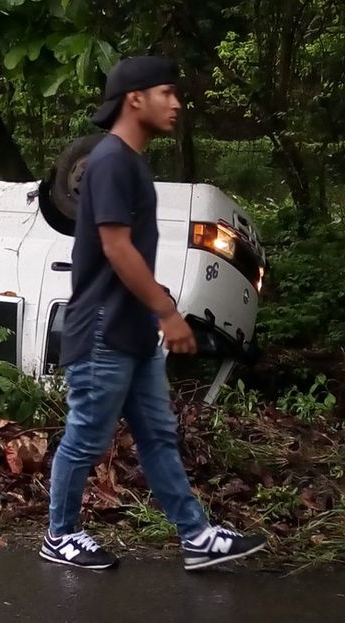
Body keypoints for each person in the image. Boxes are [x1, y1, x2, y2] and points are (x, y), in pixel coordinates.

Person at [39, 56, 267, 571]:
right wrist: (168, 311)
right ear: (134, 99)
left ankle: (196, 536)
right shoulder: (112, 161)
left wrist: (154, 313)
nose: (177, 103)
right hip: (103, 326)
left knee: (157, 435)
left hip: (131, 327)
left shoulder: (130, 164)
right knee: (88, 436)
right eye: (167, 92)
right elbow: (116, 248)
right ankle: (60, 534)